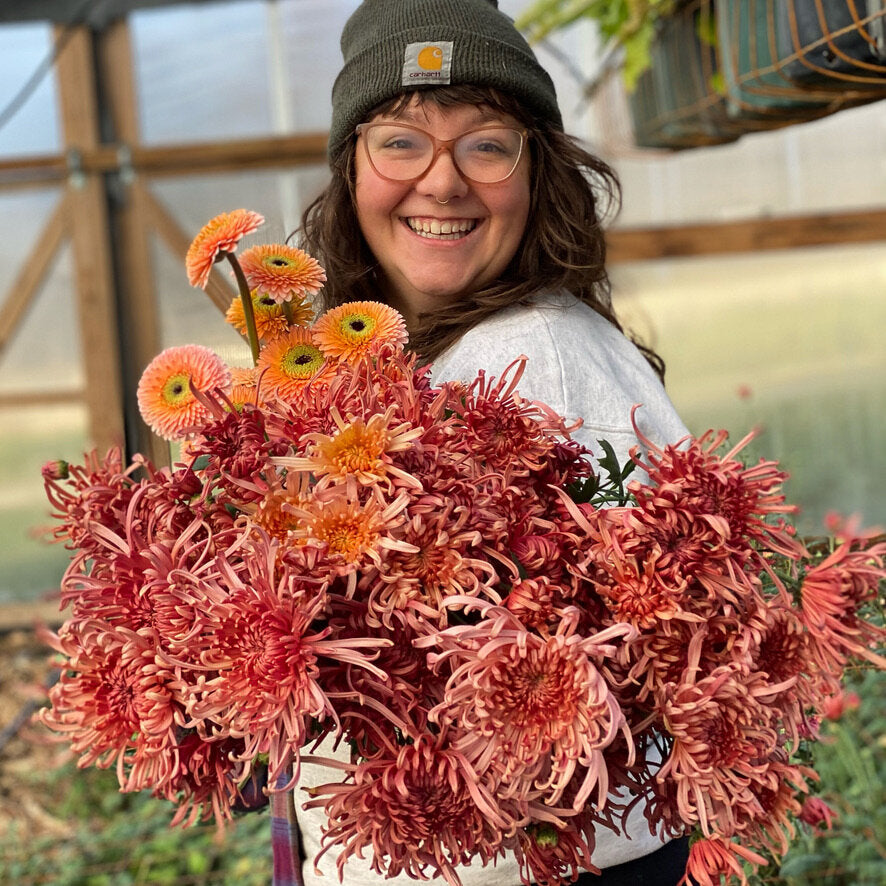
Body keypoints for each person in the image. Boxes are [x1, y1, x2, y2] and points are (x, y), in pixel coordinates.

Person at [280, 1, 693, 884]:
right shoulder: (393, 354)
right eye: (400, 141)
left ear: (538, 172)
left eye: (487, 143)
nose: (442, 181)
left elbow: (619, 642)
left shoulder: (529, 355)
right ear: (351, 171)